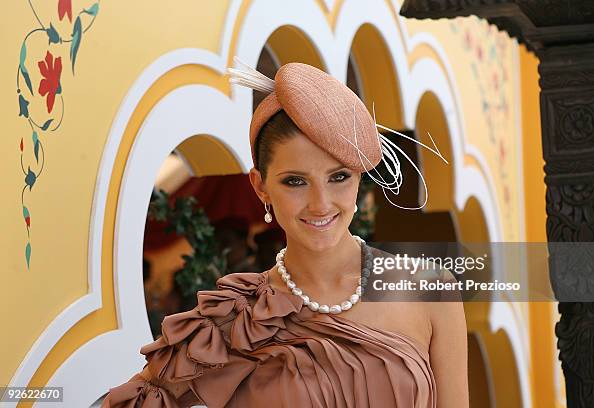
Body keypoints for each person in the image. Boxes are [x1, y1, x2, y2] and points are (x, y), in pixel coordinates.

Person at [101, 59, 468, 407]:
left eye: (338, 177)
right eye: (295, 182)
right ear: (261, 187)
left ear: (358, 178)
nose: (321, 203)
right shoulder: (235, 320)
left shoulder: (430, 292)